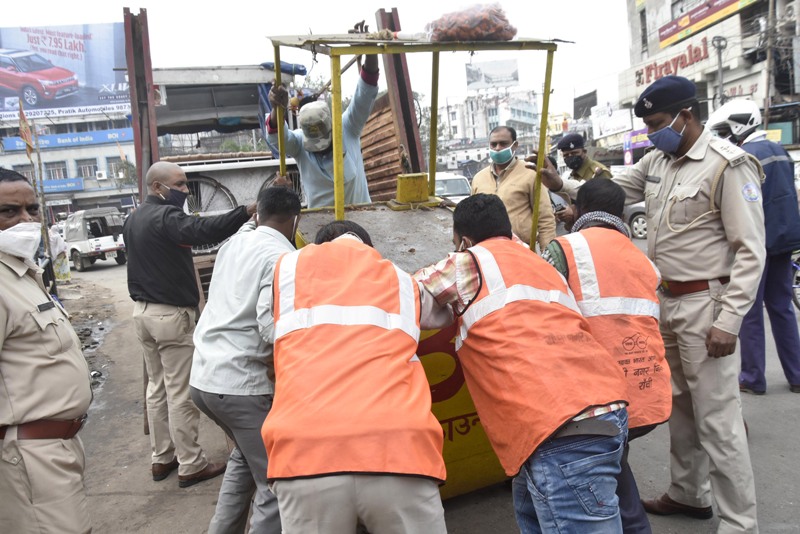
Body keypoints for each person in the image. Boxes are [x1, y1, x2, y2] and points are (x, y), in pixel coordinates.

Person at [415, 194, 630, 533]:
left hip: (558, 428)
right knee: (537, 513)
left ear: (465, 241)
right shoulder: (540, 264)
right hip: (604, 408)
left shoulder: (467, 263)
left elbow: (401, 297)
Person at [613, 76, 765, 533]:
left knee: (718, 419)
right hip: (668, 303)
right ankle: (689, 493)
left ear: (686, 115)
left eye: (658, 123)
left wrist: (730, 320)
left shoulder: (727, 165)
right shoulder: (658, 160)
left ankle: (740, 523)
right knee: (678, 406)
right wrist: (565, 184)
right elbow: (617, 189)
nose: (653, 133)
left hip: (707, 303)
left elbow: (750, 251)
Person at [262, 220, 447, 534]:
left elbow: (269, 330)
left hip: (304, 454)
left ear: (317, 245)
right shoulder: (401, 280)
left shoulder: (287, 272)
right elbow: (446, 310)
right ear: (370, 248)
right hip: (398, 450)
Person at [544, 178, 672, 534]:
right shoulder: (642, 258)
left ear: (581, 209)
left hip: (598, 395)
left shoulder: (564, 248)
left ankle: (630, 526)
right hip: (648, 394)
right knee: (615, 461)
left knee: (603, 473)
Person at [123, 161, 256, 488]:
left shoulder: (135, 217)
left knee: (157, 388)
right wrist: (245, 211)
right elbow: (203, 233)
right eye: (180, 185)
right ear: (158, 187)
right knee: (180, 391)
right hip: (169, 317)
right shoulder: (166, 217)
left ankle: (162, 457)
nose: (185, 191)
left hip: (143, 314)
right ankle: (191, 464)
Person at [190, 187, 300, 534]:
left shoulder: (234, 243)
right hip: (242, 386)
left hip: (204, 380)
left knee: (243, 459)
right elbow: (270, 329)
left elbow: (247, 227)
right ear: (296, 220)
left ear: (257, 214)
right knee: (277, 483)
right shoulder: (283, 257)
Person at [0, 168, 92, 533]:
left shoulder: (21, 272)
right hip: (29, 454)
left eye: (32, 210)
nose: (26, 220)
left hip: (59, 445)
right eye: (10, 211)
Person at [707, 98, 800, 395]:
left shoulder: (744, 156)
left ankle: (753, 377)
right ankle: (797, 375)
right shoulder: (781, 152)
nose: (723, 137)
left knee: (749, 313)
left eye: (725, 130)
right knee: (782, 308)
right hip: (785, 243)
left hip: (758, 246)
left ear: (738, 125)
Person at [265, 54, 380, 208]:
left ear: (332, 127)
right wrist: (276, 109)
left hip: (362, 220)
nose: (320, 150)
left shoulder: (348, 127)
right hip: (322, 226)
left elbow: (365, 93)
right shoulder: (299, 143)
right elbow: (277, 136)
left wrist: (370, 51)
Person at [470, 125, 556, 250]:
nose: (498, 148)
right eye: (493, 144)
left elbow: (545, 219)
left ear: (515, 145)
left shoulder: (530, 174)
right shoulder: (478, 178)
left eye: (503, 144)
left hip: (522, 250)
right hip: (488, 252)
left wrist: (548, 255)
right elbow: (472, 217)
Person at [539, 132, 613, 227]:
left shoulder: (598, 172)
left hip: (599, 229)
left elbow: (608, 205)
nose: (570, 157)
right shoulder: (572, 175)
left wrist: (574, 212)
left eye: (574, 153)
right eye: (566, 155)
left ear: (584, 152)